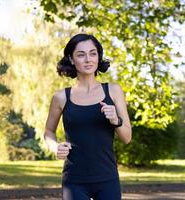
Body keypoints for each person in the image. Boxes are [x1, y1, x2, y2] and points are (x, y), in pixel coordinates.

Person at [43, 33, 132, 200]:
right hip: (74, 181)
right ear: (71, 59)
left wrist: (116, 121)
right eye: (81, 54)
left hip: (108, 179)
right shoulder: (61, 97)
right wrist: (55, 147)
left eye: (93, 53)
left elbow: (127, 137)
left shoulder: (113, 91)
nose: (88, 59)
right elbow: (48, 131)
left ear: (98, 56)